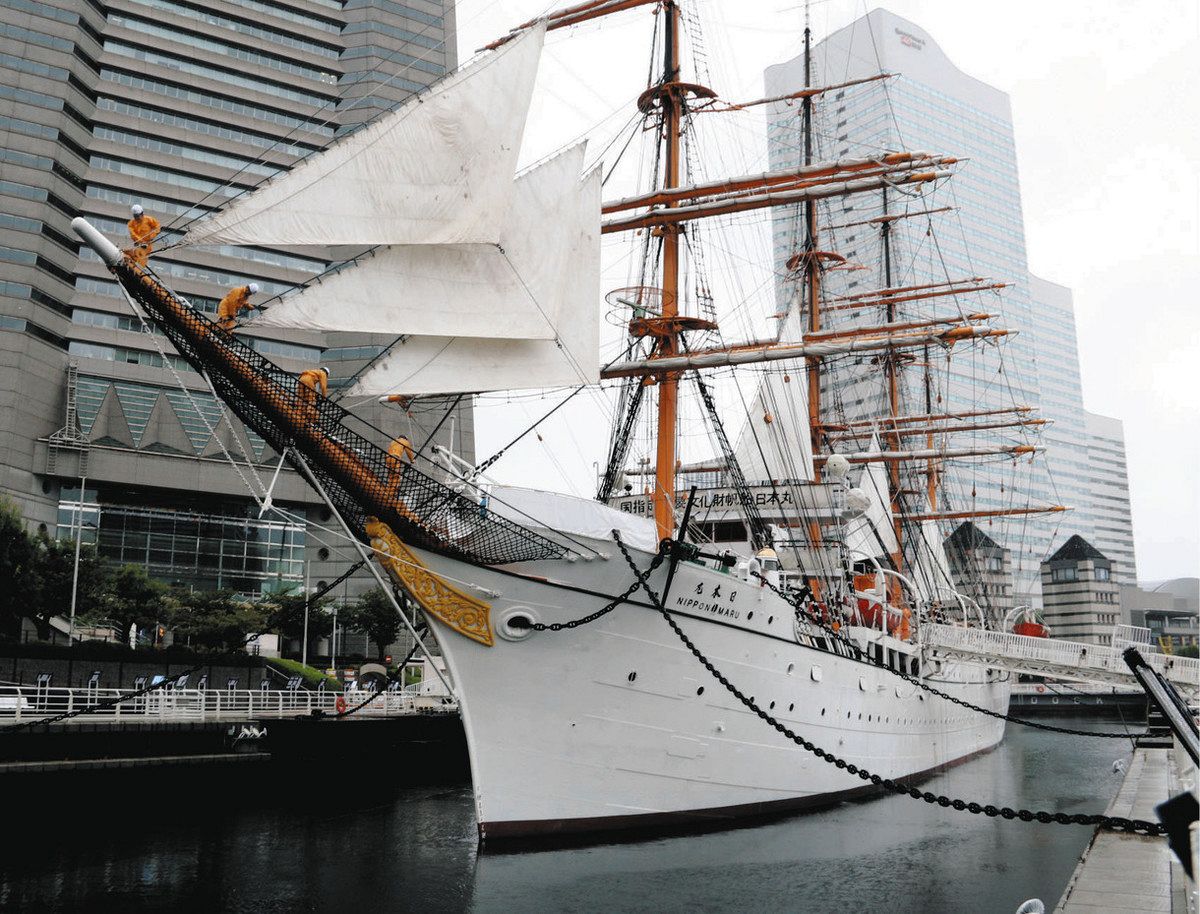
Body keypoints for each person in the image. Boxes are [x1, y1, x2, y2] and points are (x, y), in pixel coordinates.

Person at [385, 435, 415, 502]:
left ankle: (388, 492)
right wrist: (412, 460)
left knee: (391, 476)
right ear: (406, 439)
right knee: (396, 477)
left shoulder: (393, 441)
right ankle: (391, 496)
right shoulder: (405, 441)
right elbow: (409, 452)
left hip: (388, 458)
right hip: (395, 458)